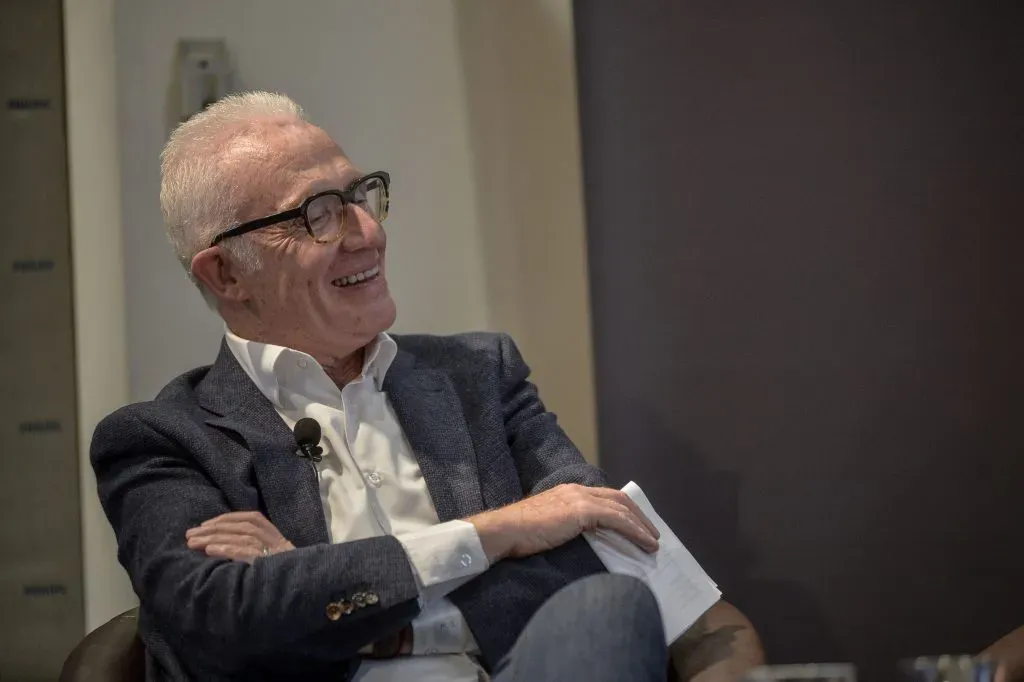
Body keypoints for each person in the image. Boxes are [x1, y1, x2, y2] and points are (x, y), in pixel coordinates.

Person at [92, 92, 764, 682]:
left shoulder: (481, 377)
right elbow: (221, 630)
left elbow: (610, 559)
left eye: (361, 195)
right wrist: (496, 533)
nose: (368, 232)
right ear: (227, 274)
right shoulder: (162, 441)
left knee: (607, 609)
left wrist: (339, 601)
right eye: (319, 213)